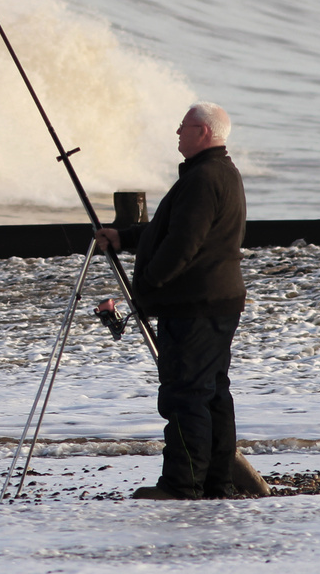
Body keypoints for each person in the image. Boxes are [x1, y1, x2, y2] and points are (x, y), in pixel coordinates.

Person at [96, 102, 246, 500]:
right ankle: (217, 483)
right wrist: (124, 238)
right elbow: (174, 229)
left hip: (195, 306)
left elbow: (183, 244)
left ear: (203, 132)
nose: (177, 133)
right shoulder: (219, 173)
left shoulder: (202, 179)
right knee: (212, 392)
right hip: (216, 302)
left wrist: (145, 286)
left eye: (183, 127)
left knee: (186, 395)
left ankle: (183, 485)